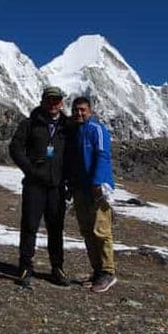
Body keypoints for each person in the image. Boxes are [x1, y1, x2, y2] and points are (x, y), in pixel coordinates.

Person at [9, 86, 70, 288]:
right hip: (34, 185)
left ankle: (57, 268)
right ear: (43, 101)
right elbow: (15, 148)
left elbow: (74, 156)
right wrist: (30, 170)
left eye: (57, 100)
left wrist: (69, 180)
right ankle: (25, 267)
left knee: (56, 229)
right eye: (50, 100)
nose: (53, 104)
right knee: (29, 226)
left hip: (57, 187)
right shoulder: (30, 124)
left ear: (61, 103)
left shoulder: (67, 127)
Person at [65, 96, 117, 293]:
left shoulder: (97, 129)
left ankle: (108, 272)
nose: (79, 113)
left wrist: (97, 182)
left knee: (101, 231)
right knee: (87, 231)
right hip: (80, 188)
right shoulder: (75, 132)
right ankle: (97, 271)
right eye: (76, 110)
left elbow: (102, 155)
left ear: (90, 111)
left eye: (83, 110)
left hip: (98, 189)